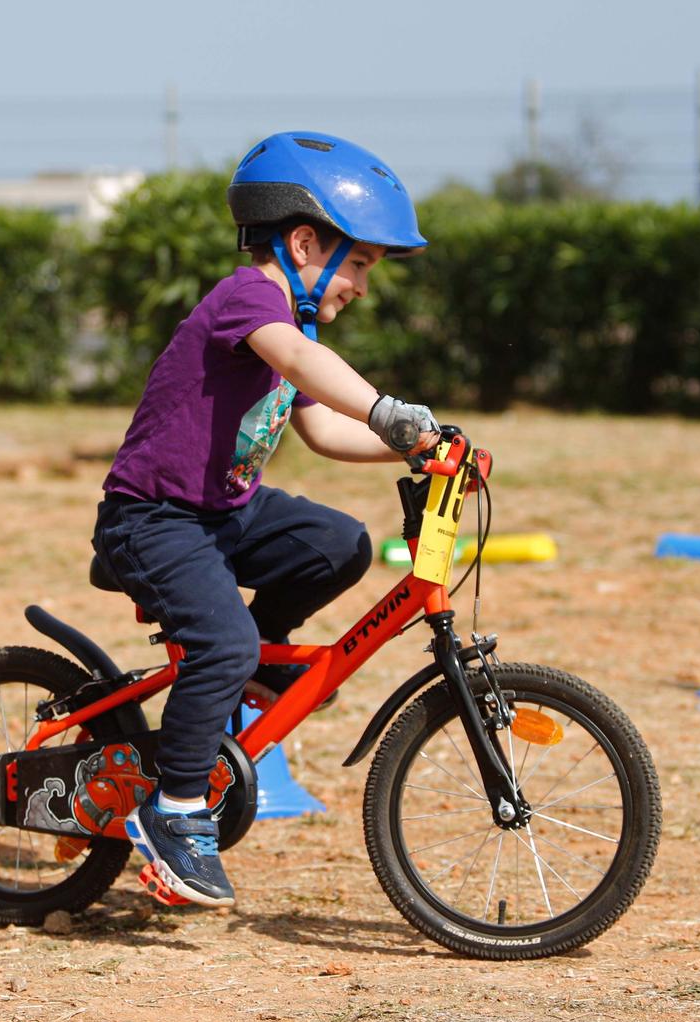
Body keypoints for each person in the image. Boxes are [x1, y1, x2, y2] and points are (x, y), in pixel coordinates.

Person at [92, 131, 441, 908]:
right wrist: (386, 408)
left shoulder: (299, 327)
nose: (361, 286)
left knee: (338, 542)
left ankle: (251, 662)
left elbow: (322, 430)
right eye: (357, 265)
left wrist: (417, 447)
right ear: (304, 240)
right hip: (153, 518)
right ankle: (176, 808)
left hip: (226, 513)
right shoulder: (250, 297)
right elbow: (301, 365)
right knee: (223, 637)